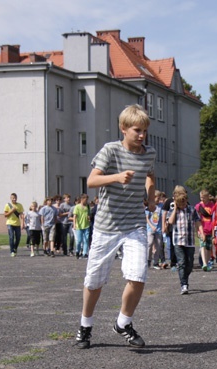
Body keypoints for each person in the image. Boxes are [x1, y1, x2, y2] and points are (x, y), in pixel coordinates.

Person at [75, 104, 156, 349]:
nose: (141, 136)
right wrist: (116, 177)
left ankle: (123, 323)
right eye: (137, 130)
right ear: (123, 128)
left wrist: (151, 197)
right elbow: (91, 180)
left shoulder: (148, 153)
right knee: (94, 281)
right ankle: (85, 326)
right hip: (106, 226)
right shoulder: (110, 151)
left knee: (138, 275)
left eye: (144, 131)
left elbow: (150, 174)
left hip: (134, 225)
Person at [168, 193, 203, 295]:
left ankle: (184, 276)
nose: (182, 206)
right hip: (178, 240)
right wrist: (175, 208)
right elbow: (170, 221)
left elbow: (198, 222)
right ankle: (184, 284)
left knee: (190, 263)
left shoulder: (192, 209)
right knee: (182, 262)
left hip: (189, 241)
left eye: (183, 203)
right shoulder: (174, 210)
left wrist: (201, 232)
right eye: (180, 204)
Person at [195, 189, 216, 271]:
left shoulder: (212, 205)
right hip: (202, 229)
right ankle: (204, 263)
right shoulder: (198, 206)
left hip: (210, 229)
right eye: (200, 197)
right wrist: (197, 230)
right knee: (202, 246)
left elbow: (214, 218)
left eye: (203, 197)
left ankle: (207, 263)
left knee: (208, 247)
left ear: (207, 197)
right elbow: (196, 219)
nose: (202, 199)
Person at [146, 190, 164, 269]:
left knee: (158, 245)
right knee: (149, 244)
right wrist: (151, 226)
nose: (157, 199)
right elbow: (147, 218)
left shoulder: (161, 206)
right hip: (150, 228)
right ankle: (148, 260)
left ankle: (156, 262)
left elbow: (163, 216)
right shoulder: (150, 206)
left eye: (159, 197)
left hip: (159, 229)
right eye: (156, 197)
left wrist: (163, 227)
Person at [4, 193, 24, 257]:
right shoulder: (7, 205)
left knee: (18, 237)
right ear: (11, 198)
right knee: (11, 237)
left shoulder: (19, 205)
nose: (14, 199)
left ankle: (15, 248)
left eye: (15, 198)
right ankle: (12, 251)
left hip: (17, 224)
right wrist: (12, 211)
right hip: (10, 223)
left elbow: (21, 215)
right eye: (13, 198)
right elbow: (5, 215)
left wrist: (22, 223)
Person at [72, 194, 91, 259]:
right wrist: (74, 225)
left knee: (86, 240)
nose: (86, 201)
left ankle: (85, 253)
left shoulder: (87, 206)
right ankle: (77, 251)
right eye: (85, 199)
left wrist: (89, 218)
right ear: (82, 199)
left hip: (86, 225)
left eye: (87, 199)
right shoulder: (77, 207)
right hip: (79, 226)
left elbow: (89, 214)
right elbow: (74, 216)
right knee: (79, 240)